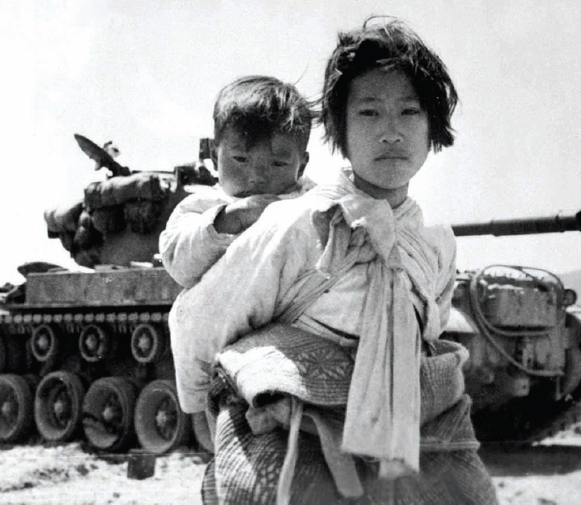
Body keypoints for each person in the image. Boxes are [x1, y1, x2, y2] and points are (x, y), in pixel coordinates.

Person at [170, 17, 498, 505]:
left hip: (408, 429)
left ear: (433, 129)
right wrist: (199, 406)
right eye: (368, 113)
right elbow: (204, 315)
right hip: (297, 433)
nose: (390, 133)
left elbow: (428, 327)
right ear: (339, 131)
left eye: (409, 112)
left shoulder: (436, 242)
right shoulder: (295, 224)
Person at [159, 75, 314, 290]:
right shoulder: (202, 207)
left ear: (301, 166)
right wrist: (228, 220)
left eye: (278, 164)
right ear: (214, 156)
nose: (257, 177)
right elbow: (178, 262)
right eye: (241, 159)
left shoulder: (311, 204)